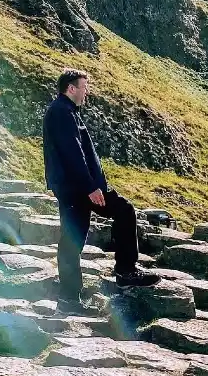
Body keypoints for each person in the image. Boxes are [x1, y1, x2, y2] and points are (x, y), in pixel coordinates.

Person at [43, 68, 160, 313]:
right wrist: (90, 187)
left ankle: (74, 297)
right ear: (71, 88)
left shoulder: (67, 112)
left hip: (79, 187)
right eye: (84, 87)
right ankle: (120, 274)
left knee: (76, 239)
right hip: (77, 189)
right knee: (82, 235)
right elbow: (72, 153)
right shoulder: (61, 113)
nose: (87, 92)